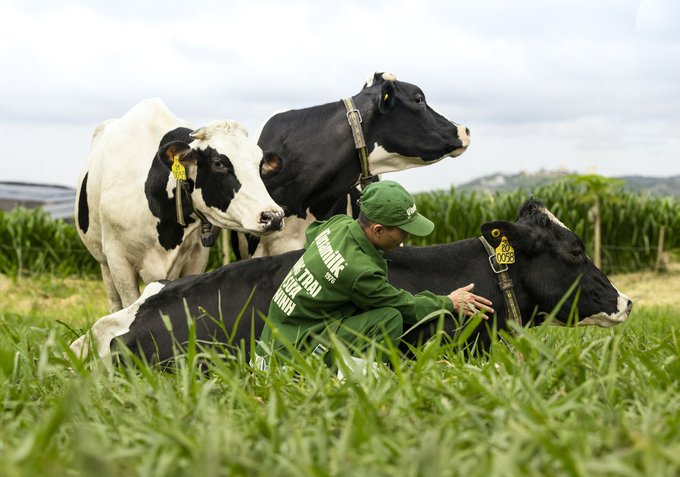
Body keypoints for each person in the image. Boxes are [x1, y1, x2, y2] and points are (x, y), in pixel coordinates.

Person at [255, 180, 493, 368]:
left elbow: (313, 234)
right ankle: (358, 382)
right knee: (388, 318)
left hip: (269, 345)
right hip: (289, 359)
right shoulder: (361, 272)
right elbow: (404, 306)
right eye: (403, 231)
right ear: (378, 230)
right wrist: (448, 302)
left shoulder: (338, 224)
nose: (407, 238)